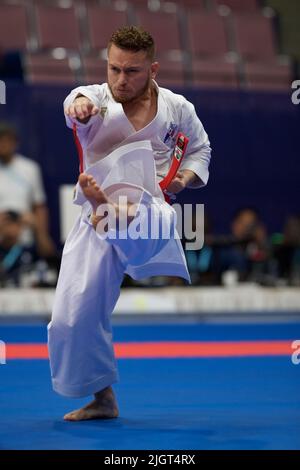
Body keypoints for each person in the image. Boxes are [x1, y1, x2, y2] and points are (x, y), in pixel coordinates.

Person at [48, 26, 211, 421]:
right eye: (114, 69)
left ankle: (119, 210)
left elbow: (201, 149)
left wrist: (184, 179)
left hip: (152, 216)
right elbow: (76, 101)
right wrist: (79, 107)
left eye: (133, 71)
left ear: (153, 68)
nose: (121, 80)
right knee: (71, 318)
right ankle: (102, 399)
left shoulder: (177, 109)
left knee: (144, 213)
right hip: (95, 220)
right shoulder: (97, 99)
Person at [0, 122, 56, 258]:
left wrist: (41, 235)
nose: (3, 144)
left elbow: (39, 206)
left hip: (24, 240)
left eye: (7, 140)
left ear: (15, 143)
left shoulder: (30, 169)